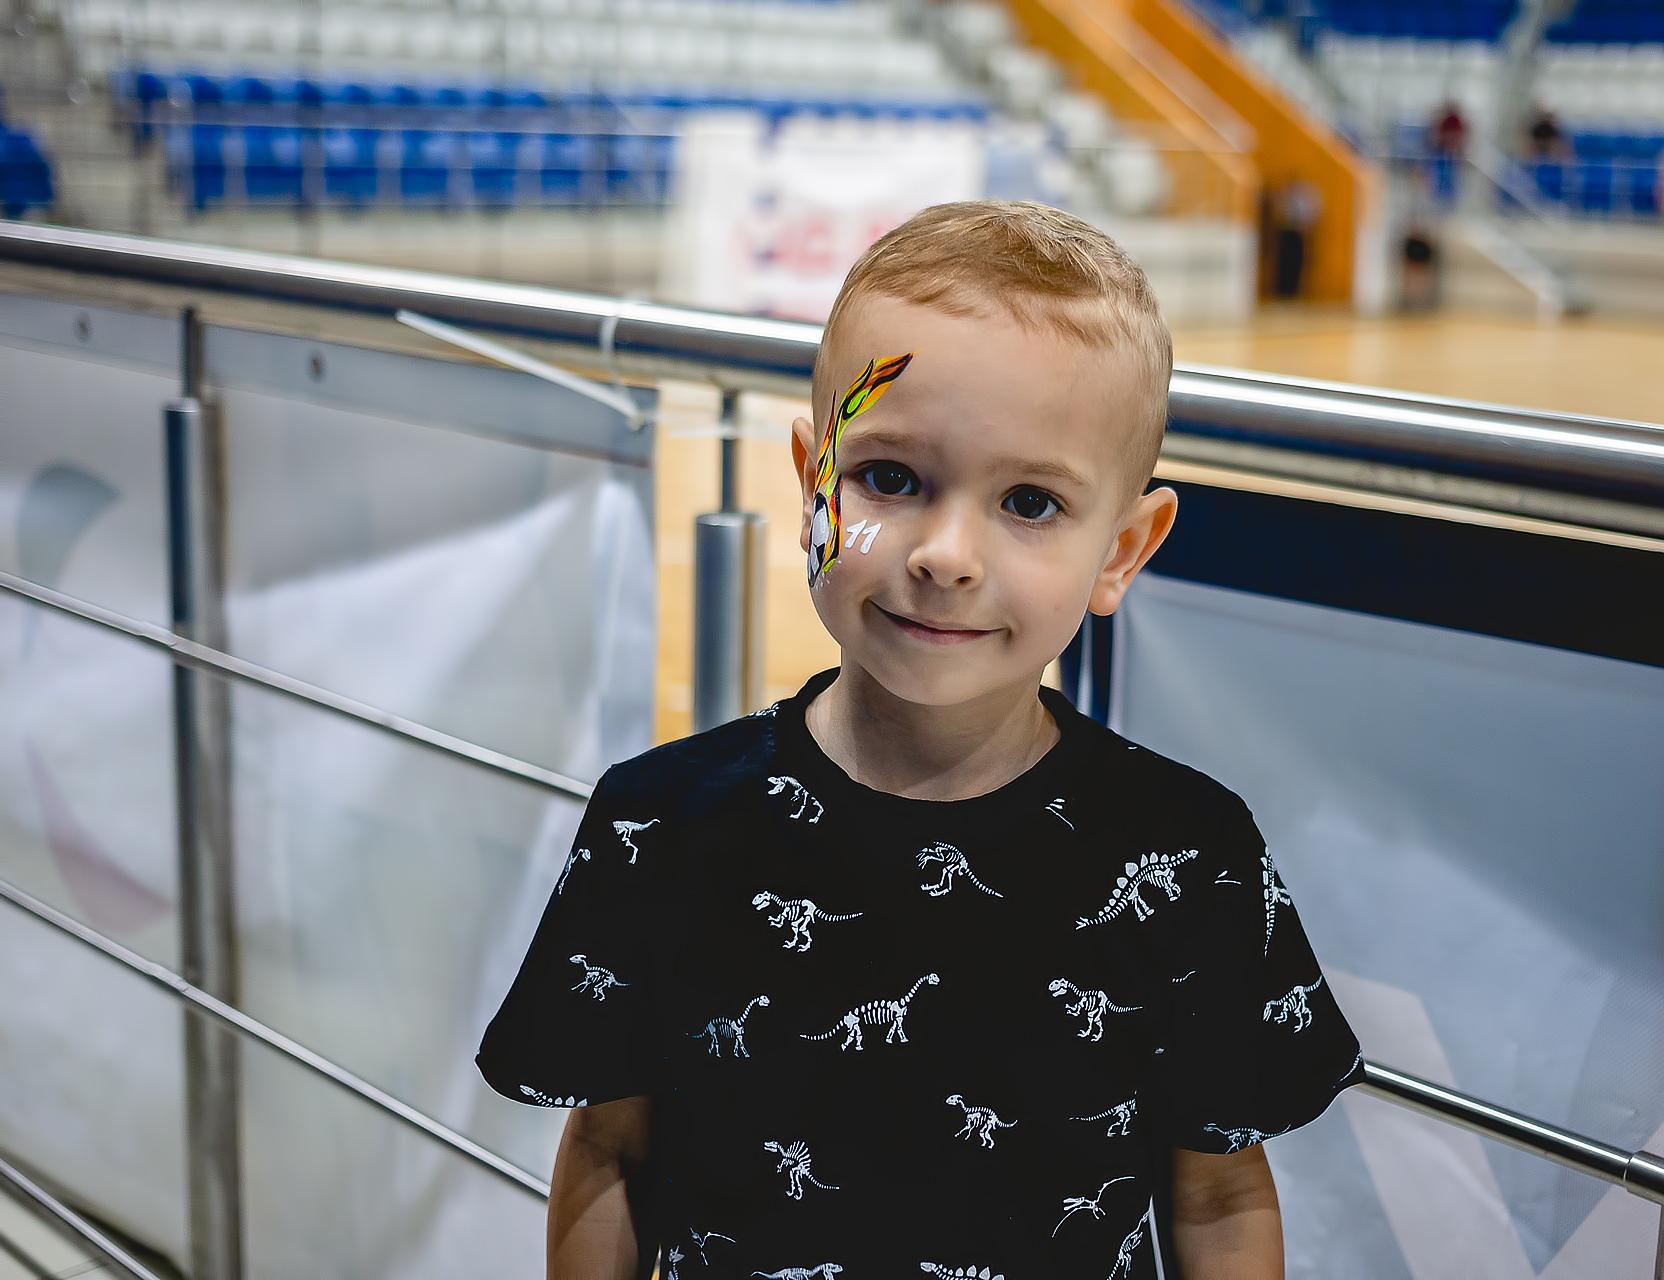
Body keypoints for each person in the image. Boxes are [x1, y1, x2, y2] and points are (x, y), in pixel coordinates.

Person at [475, 200, 1364, 1276]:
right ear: (810, 479)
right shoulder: (655, 824)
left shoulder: (1193, 854)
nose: (946, 554)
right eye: (889, 478)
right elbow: (609, 1148)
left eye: (1029, 501)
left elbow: (1218, 1193)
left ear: (1123, 551)